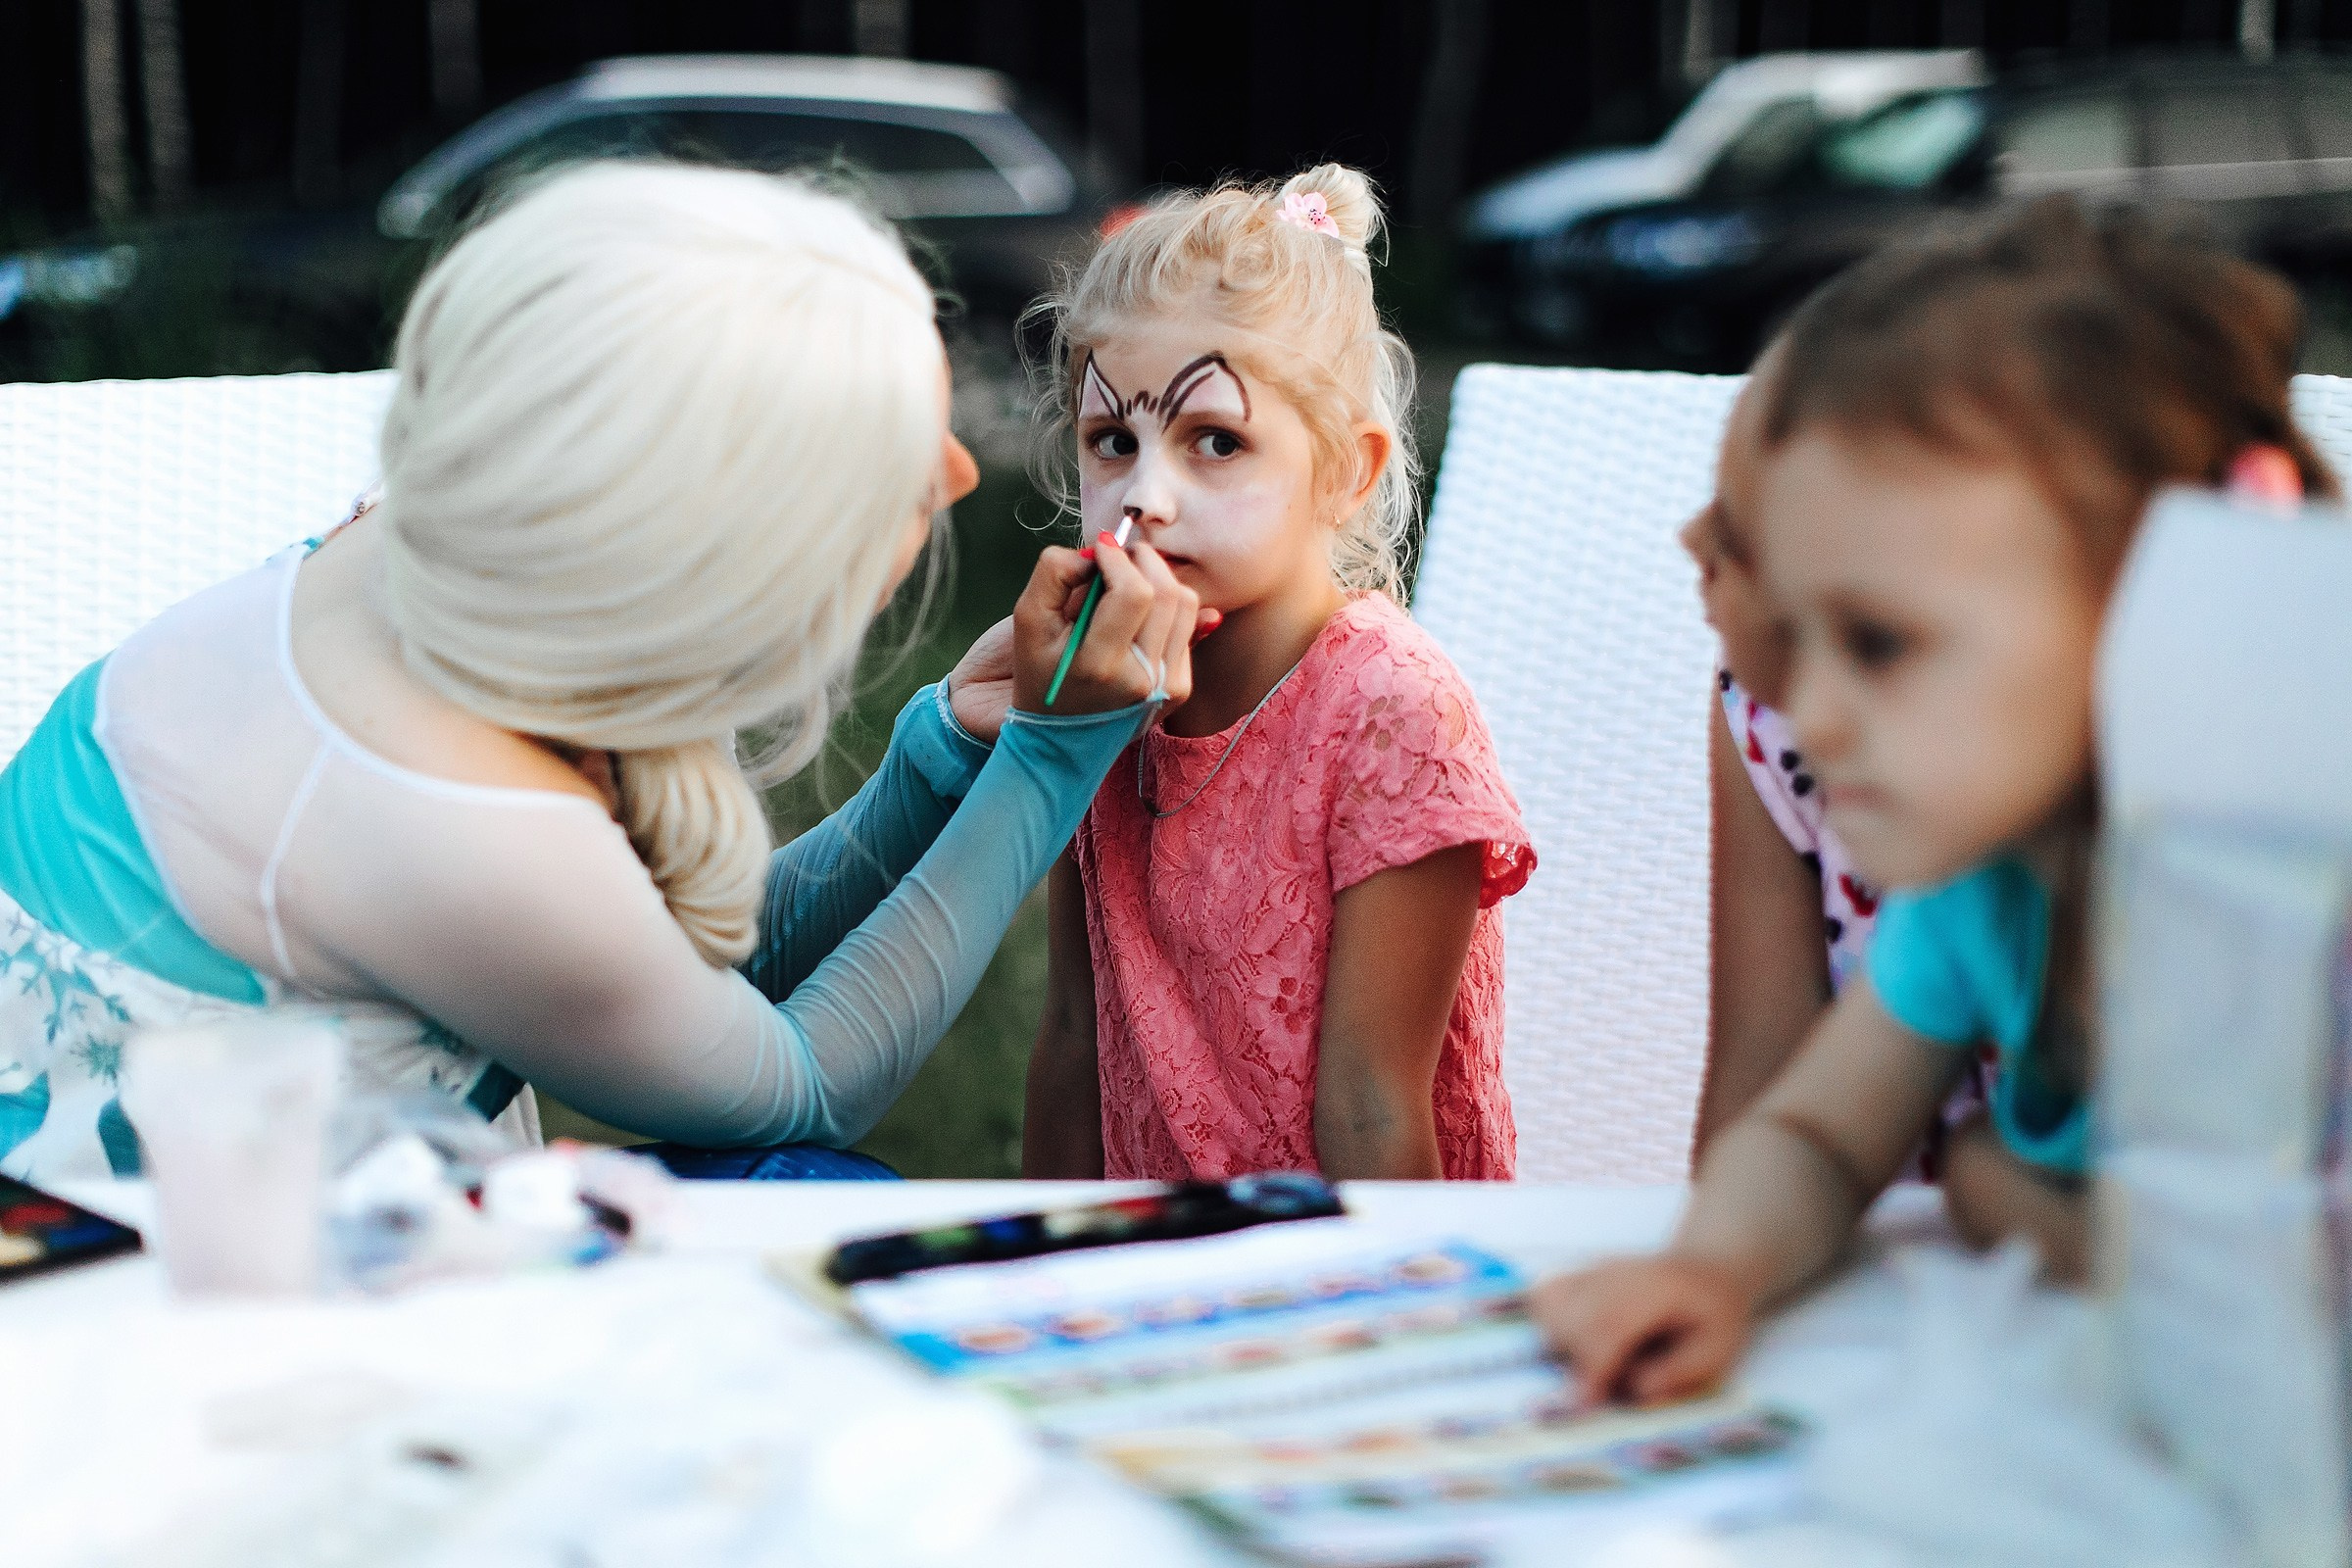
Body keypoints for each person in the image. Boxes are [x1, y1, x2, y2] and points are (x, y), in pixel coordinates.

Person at [0, 162, 1203, 1184]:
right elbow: (793, 1089)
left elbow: (676, 979)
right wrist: (1052, 758)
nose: (953, 475)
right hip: (144, 1318)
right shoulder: (456, 820)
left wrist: (943, 752)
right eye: (888, 463)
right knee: (804, 1190)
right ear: (723, 542)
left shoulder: (429, 561)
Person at [1533, 197, 2334, 1405]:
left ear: (2156, 608)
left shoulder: (2304, 913)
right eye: (1796, 637)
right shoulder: (1985, 888)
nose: (1813, 710)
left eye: (1880, 641)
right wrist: (1714, 1268)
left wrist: (2002, 1193)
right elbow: (1816, 1136)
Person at [1020, 166, 1534, 1182]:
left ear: (1346, 470)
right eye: (1112, 439)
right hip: (1149, 1276)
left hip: (1340, 1285)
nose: (1146, 495)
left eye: (1216, 441)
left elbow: (1371, 1113)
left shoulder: (1390, 712)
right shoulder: (1098, 686)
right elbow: (1073, 1040)